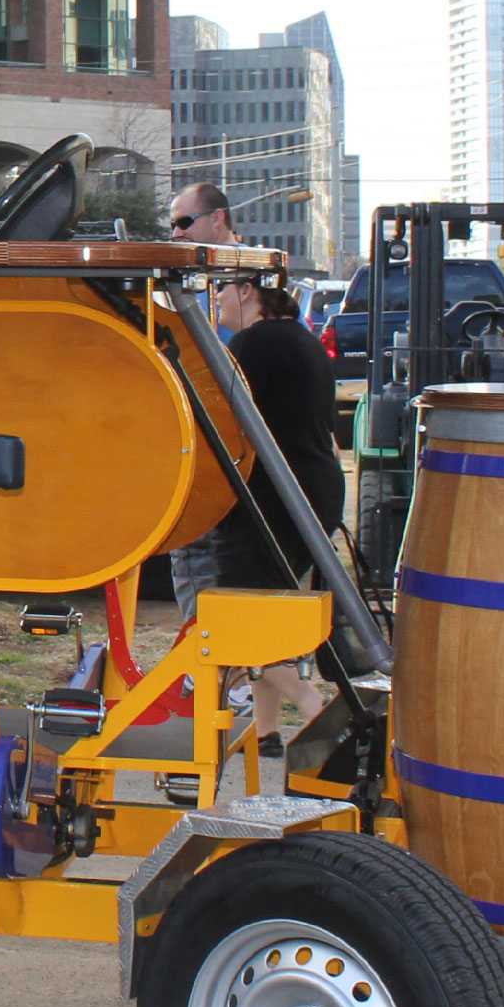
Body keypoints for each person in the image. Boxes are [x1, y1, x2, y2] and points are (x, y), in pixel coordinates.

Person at [209, 276, 345, 754]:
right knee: (265, 607)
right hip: (316, 488)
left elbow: (220, 417)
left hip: (270, 500)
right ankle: (266, 731)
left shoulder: (253, 343)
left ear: (248, 291)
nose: (216, 299)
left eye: (221, 289)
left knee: (242, 617)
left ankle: (321, 714)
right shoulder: (304, 339)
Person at [164, 182, 240, 621]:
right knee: (194, 557)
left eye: (184, 222)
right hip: (197, 435)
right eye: (172, 224)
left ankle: (217, 665)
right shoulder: (187, 280)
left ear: (218, 219)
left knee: (209, 558)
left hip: (229, 441)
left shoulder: (247, 281)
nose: (176, 233)